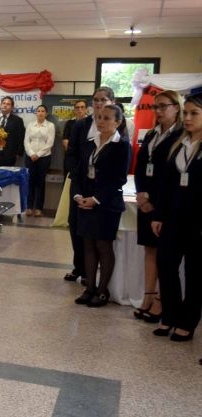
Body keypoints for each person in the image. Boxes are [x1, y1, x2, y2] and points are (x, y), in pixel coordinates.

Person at [151, 93, 201, 344]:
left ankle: (187, 322)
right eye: (186, 113)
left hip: (198, 222)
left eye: (194, 113)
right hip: (172, 218)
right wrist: (158, 215)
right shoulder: (179, 144)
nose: (188, 118)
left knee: (195, 273)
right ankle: (169, 315)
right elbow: (166, 185)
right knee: (166, 265)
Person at [72, 104, 131, 308]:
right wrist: (78, 195)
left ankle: (102, 290)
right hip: (85, 201)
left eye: (107, 118)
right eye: (99, 117)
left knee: (103, 246)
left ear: (118, 122)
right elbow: (78, 173)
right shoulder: (90, 143)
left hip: (107, 203)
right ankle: (89, 288)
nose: (101, 121)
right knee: (88, 245)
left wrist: (96, 199)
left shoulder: (121, 146)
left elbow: (119, 179)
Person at [133, 90, 182, 323]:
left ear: (176, 107)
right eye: (156, 107)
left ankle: (162, 300)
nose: (158, 111)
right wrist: (141, 194)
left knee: (165, 254)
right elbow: (141, 166)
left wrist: (154, 201)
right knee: (149, 249)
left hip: (164, 204)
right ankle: (148, 296)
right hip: (145, 201)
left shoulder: (181, 136)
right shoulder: (152, 133)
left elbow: (171, 175)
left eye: (163, 106)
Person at [64, 86, 117, 283]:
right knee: (75, 225)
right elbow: (72, 153)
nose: (99, 103)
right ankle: (79, 267)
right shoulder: (81, 124)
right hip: (79, 183)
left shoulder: (118, 125)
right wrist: (76, 175)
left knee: (95, 232)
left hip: (101, 188)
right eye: (96, 100)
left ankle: (92, 274)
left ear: (112, 102)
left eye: (103, 100)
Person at [23, 104, 56, 216]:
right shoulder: (30, 125)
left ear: (46, 113)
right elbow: (26, 141)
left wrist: (38, 154)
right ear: (36, 113)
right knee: (30, 182)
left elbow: (50, 143)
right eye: (38, 111)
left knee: (40, 183)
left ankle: (38, 208)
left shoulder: (50, 126)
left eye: (43, 111)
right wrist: (32, 154)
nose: (40, 113)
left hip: (44, 158)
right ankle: (29, 206)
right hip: (30, 157)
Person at [62, 100, 88, 176]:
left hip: (85, 159)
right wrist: (73, 154)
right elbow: (65, 140)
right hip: (71, 158)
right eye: (77, 107)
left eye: (82, 107)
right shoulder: (69, 123)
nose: (80, 109)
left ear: (86, 109)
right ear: (74, 110)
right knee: (68, 180)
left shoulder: (91, 123)